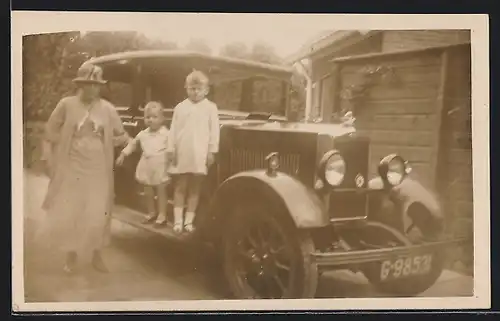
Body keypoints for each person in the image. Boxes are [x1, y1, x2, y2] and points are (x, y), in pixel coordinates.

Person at [40, 62, 130, 274]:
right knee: (73, 210)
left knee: (97, 212)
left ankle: (96, 254)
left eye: (96, 85)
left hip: (99, 167)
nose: (92, 89)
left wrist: (122, 144)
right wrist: (50, 156)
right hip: (72, 165)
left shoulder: (107, 109)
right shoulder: (67, 104)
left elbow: (121, 135)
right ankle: (70, 255)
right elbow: (50, 131)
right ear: (79, 85)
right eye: (87, 84)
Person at [167, 70, 220, 234]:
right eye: (192, 88)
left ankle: (188, 222)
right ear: (186, 88)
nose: (195, 92)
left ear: (206, 90)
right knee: (181, 186)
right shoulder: (180, 108)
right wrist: (171, 149)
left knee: (195, 188)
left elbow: (214, 131)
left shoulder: (211, 108)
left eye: (199, 88)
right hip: (183, 151)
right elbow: (173, 131)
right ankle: (177, 221)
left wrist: (212, 151)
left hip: (200, 153)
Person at [115, 101, 171, 226]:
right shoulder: (143, 134)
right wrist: (123, 154)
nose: (151, 120)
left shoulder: (166, 133)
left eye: (154, 117)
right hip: (147, 165)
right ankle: (151, 212)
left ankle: (162, 215)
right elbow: (133, 144)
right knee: (148, 191)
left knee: (161, 191)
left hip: (160, 165)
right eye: (148, 117)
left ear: (162, 119)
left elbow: (172, 148)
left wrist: (172, 160)